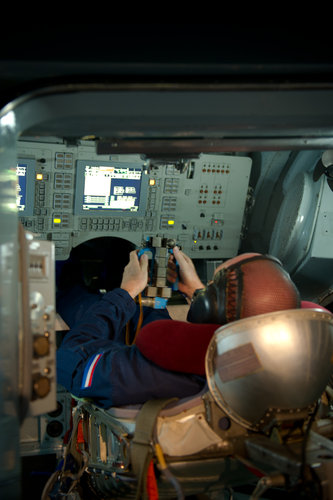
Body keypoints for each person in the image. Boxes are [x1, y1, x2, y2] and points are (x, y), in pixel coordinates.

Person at [56, 247, 301, 408]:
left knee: (80, 301)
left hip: (134, 458)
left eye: (212, 284)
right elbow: (164, 340)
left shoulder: (164, 373)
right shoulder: (269, 364)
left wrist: (126, 291)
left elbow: (73, 366)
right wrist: (193, 292)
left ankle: (65, 280)